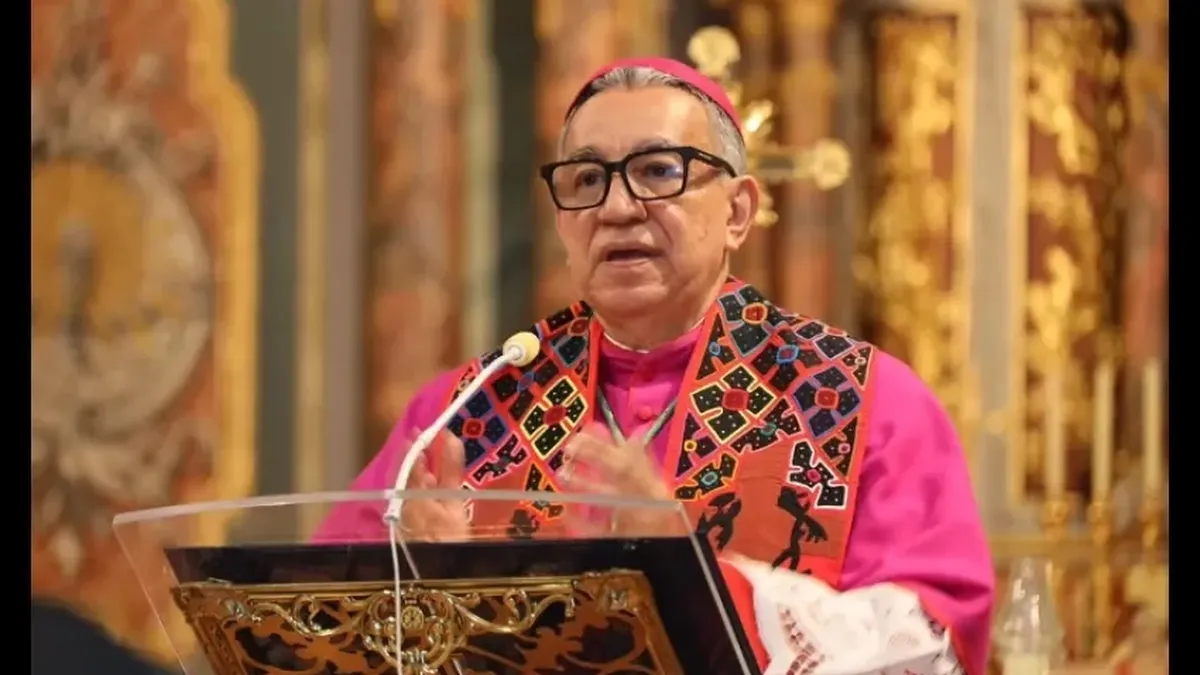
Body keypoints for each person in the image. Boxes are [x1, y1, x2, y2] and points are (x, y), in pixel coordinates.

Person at [318, 57, 994, 675]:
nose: (617, 208)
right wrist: (418, 585)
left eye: (659, 171)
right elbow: (316, 625)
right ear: (561, 223)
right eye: (588, 180)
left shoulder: (862, 402)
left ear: (737, 212)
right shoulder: (470, 411)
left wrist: (686, 572)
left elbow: (929, 642)